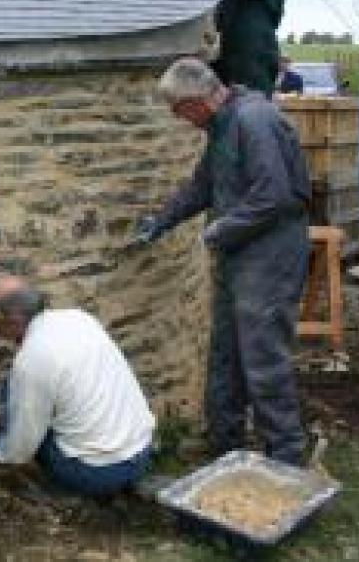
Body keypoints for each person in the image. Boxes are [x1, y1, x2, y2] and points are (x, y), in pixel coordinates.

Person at [133, 58, 310, 466]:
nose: (181, 120)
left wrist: (220, 230)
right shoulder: (221, 127)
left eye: (179, 111)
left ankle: (285, 458)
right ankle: (225, 446)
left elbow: (274, 195)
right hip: (239, 255)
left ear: (197, 101)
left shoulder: (255, 120)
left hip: (271, 255)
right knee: (227, 353)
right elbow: (202, 187)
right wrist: (159, 223)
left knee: (263, 357)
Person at [0, 275, 154, 497]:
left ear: (13, 321)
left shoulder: (32, 358)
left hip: (100, 472)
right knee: (32, 393)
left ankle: (59, 489)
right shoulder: (79, 318)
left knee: (14, 394)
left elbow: (20, 450)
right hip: (142, 451)